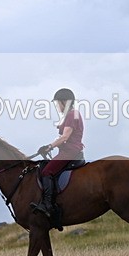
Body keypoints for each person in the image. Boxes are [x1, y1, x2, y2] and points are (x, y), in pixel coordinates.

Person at [31, 88, 85, 219]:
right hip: (68, 151)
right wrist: (48, 147)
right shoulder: (71, 115)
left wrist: (49, 146)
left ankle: (47, 205)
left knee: (46, 172)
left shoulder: (72, 115)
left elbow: (65, 137)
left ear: (65, 102)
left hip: (70, 152)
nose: (57, 106)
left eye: (57, 103)